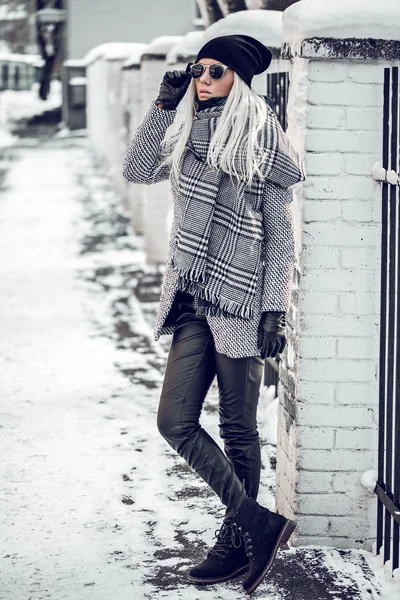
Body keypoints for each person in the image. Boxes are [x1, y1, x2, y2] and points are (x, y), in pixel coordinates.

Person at [123, 34, 305, 594]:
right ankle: (258, 523)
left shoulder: (261, 143)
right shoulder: (183, 130)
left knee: (236, 428)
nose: (204, 78)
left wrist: (275, 309)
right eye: (199, 68)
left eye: (217, 70)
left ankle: (234, 544)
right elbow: (137, 168)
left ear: (240, 81)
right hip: (192, 299)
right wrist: (161, 104)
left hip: (241, 300)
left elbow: (279, 233)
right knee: (173, 421)